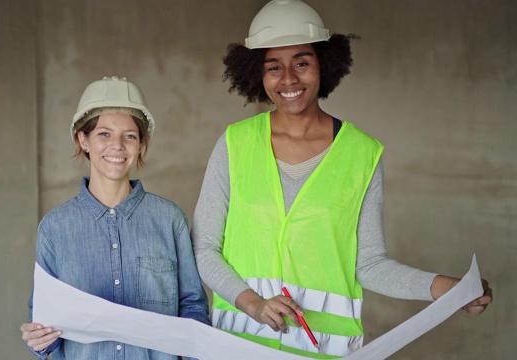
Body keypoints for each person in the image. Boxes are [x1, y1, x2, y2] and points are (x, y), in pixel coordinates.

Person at [191, 0, 493, 358]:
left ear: (324, 64)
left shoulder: (362, 155)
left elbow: (369, 265)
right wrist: (253, 304)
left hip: (325, 352)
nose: (288, 78)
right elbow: (204, 248)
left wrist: (447, 288)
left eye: (301, 62)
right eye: (274, 66)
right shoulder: (234, 144)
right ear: (258, 73)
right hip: (239, 347)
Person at [21, 76, 210, 359]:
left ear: (141, 144)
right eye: (104, 134)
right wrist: (38, 339)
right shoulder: (55, 228)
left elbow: (193, 308)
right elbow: (44, 324)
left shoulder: (170, 220)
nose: (117, 145)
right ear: (83, 139)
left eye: (129, 136)